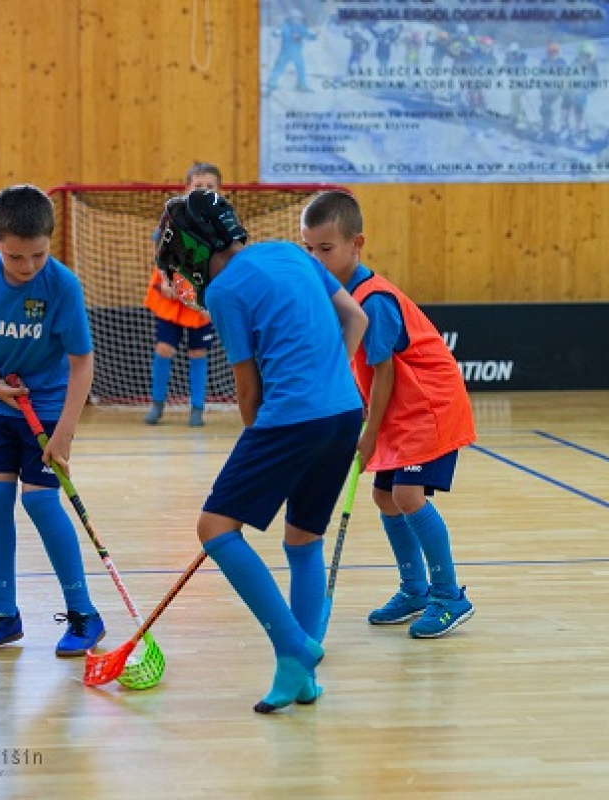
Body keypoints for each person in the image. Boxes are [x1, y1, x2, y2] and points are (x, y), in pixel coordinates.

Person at [154, 190, 367, 712]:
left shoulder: (226, 291)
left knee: (215, 527)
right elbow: (356, 320)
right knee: (302, 542)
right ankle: (301, 678)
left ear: (198, 253)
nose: (184, 274)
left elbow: (248, 392)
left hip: (291, 419)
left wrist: (261, 440)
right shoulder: (293, 253)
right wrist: (327, 379)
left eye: (183, 263)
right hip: (344, 411)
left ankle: (295, 645)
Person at [301, 190, 476, 639]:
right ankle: (414, 589)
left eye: (326, 249)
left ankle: (448, 594)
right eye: (308, 249)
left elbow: (384, 374)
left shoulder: (373, 301)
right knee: (385, 496)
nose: (316, 258)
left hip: (427, 406)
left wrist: (369, 431)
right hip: (398, 408)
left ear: (356, 243)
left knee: (407, 495)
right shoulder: (336, 294)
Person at [0, 184, 105, 657]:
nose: (28, 266)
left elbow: (81, 362)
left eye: (38, 254)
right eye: (16, 257)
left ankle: (84, 614)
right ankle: (2, 615)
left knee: (39, 502)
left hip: (49, 406)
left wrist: (65, 435)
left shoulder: (61, 285)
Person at [143, 161, 222, 426]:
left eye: (210, 186)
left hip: (200, 301)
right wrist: (166, 281)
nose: (203, 190)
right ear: (187, 189)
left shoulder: (223, 226)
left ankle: (197, 408)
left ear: (219, 192)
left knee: (198, 353)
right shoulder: (173, 217)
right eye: (198, 186)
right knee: (164, 348)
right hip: (172, 297)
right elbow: (160, 254)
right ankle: (157, 403)